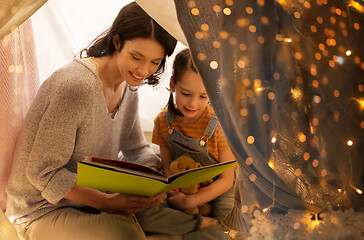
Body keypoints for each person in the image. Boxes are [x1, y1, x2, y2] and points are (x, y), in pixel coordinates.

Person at [5, 2, 177, 240]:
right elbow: (43, 173)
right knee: (128, 234)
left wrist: (158, 177)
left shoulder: (128, 87)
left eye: (155, 62)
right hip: (40, 210)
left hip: (88, 200)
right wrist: (106, 202)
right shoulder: (77, 87)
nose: (143, 70)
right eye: (136, 57)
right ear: (117, 41)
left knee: (173, 223)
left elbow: (136, 148)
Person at [135, 49, 235, 240]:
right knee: (143, 216)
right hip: (183, 187)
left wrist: (190, 201)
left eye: (203, 96)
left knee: (231, 228)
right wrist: (177, 194)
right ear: (173, 85)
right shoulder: (162, 122)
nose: (192, 103)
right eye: (186, 93)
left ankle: (192, 229)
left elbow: (226, 180)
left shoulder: (220, 126)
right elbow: (168, 169)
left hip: (218, 190)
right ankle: (200, 225)